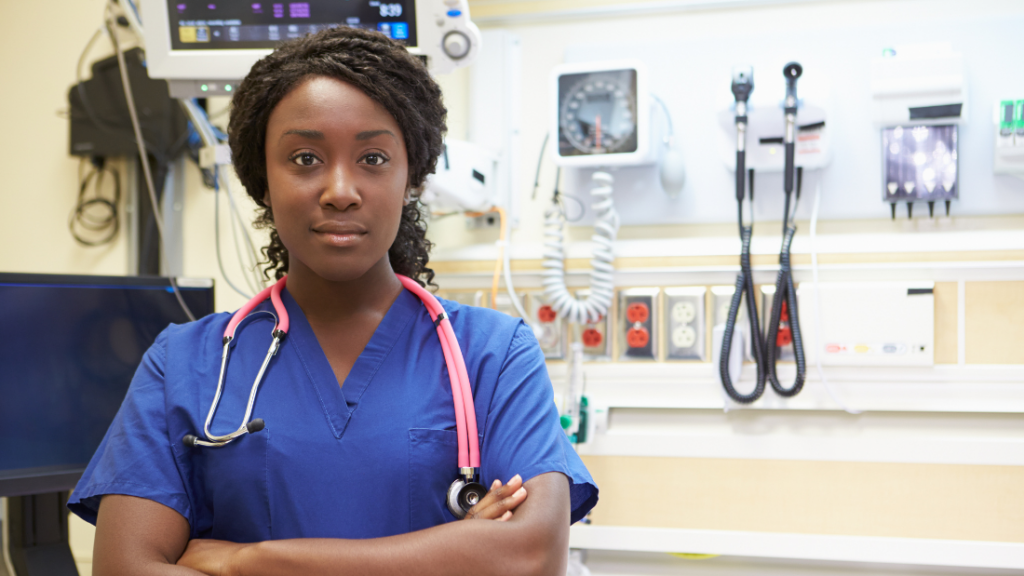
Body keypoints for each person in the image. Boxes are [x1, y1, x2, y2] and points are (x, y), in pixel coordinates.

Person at [67, 25, 597, 576]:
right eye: (304, 158)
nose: (340, 190)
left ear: (411, 176)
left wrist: (247, 560)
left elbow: (534, 556)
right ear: (261, 181)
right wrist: (456, 553)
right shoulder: (184, 363)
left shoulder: (493, 355)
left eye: (372, 158)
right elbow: (125, 568)